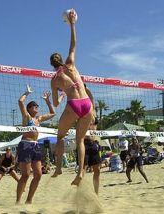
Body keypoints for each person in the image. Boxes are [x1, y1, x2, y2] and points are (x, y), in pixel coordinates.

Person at [50, 9, 94, 185]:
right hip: (87, 104)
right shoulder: (71, 63)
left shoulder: (54, 80)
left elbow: (54, 103)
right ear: (61, 59)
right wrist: (72, 24)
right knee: (80, 139)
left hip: (74, 105)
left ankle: (59, 168)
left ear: (51, 65)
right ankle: (81, 172)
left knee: (60, 137)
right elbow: (74, 43)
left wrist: (58, 98)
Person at [16, 85, 55, 204]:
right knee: (26, 175)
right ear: (29, 108)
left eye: (37, 106)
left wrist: (47, 101)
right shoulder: (27, 117)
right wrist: (27, 93)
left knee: (38, 174)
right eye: (34, 105)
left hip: (36, 145)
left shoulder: (38, 119)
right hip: (25, 144)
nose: (37, 107)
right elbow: (20, 101)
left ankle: (29, 200)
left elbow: (53, 113)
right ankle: (18, 201)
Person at [83, 117, 101, 194]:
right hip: (84, 144)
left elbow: (95, 130)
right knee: (83, 170)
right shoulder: (83, 118)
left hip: (93, 144)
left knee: (97, 170)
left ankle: (96, 193)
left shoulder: (94, 120)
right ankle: (81, 192)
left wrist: (97, 143)